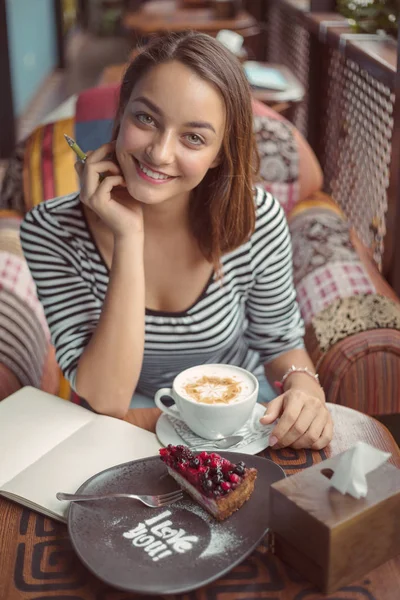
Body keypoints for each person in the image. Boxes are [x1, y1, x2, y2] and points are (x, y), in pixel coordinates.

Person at [20, 31, 333, 450]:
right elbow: (107, 398)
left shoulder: (257, 217)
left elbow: (279, 343)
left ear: (220, 153)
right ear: (122, 113)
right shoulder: (51, 231)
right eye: (146, 119)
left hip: (241, 420)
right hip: (129, 426)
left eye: (194, 137)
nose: (160, 153)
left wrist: (306, 392)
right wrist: (129, 235)